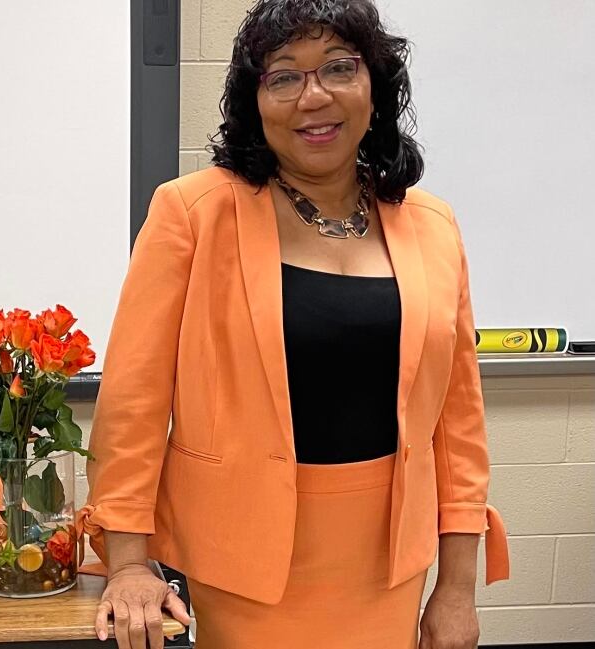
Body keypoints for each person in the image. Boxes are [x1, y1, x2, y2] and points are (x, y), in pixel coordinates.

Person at [75, 1, 510, 647]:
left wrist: (455, 586)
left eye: (339, 67)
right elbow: (134, 401)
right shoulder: (192, 213)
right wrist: (129, 561)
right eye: (284, 76)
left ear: (375, 87)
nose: (314, 97)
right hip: (241, 557)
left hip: (389, 558)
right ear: (256, 101)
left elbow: (458, 420)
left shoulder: (433, 223)